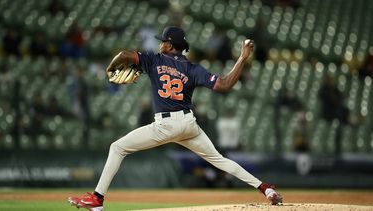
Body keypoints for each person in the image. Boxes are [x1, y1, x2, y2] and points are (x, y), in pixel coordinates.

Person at [68, 26, 282, 210]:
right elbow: (225, 85)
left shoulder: (154, 59)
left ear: (170, 45)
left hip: (165, 125)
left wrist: (110, 69)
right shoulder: (192, 68)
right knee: (219, 160)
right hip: (188, 124)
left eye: (163, 42)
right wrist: (243, 58)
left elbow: (124, 54)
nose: (160, 44)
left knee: (117, 147)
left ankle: (97, 199)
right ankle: (266, 188)